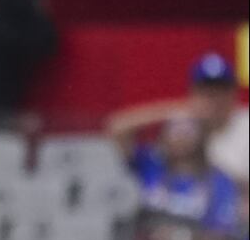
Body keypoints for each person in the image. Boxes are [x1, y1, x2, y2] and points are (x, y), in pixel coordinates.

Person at [98, 116, 241, 240]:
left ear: (201, 137)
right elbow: (118, 128)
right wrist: (177, 110)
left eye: (188, 131)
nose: (180, 137)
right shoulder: (148, 164)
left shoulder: (218, 181)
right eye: (174, 130)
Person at [107, 53, 249, 196]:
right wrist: (179, 109)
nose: (214, 99)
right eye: (206, 93)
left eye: (220, 91)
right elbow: (118, 127)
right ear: (193, 93)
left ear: (233, 93)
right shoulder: (184, 125)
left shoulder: (245, 125)